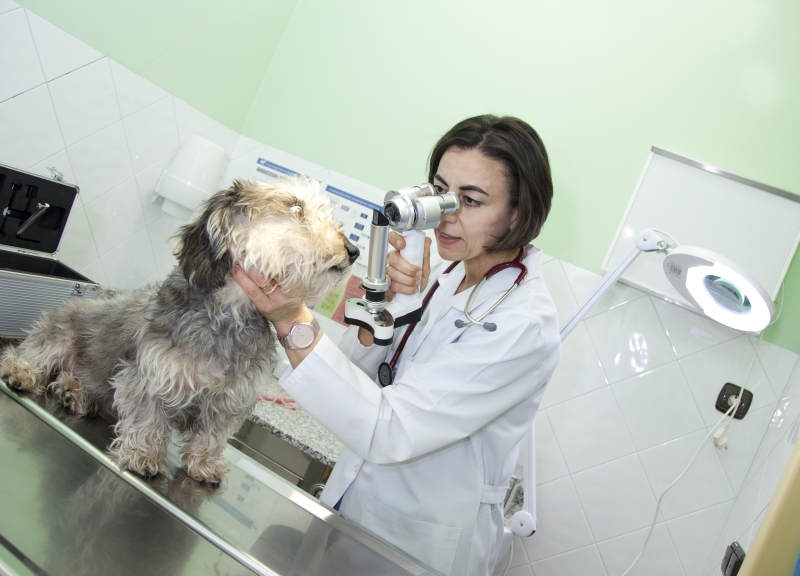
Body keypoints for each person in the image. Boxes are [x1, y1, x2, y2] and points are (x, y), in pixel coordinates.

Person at [233, 114, 561, 576]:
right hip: (353, 510)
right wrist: (381, 310)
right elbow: (356, 374)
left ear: (519, 214)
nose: (446, 215)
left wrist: (291, 317)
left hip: (420, 545)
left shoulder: (522, 326)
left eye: (470, 200)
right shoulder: (447, 274)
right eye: (441, 191)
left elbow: (391, 428)